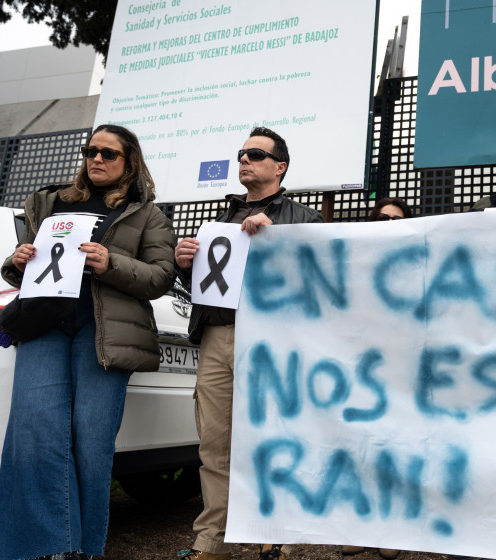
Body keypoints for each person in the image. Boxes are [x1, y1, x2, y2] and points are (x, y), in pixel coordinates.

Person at [0, 124, 177, 560]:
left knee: (91, 442)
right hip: (44, 321)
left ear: (129, 162)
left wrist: (111, 263)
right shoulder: (50, 202)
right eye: (90, 150)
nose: (96, 158)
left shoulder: (147, 214)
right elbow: (24, 266)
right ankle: (46, 549)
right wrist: (17, 260)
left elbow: (161, 277)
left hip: (104, 329)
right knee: (34, 432)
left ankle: (85, 550)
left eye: (108, 153)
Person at [175, 127, 324, 560]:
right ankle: (212, 540)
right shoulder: (219, 219)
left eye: (256, 154)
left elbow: (317, 279)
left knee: (275, 437)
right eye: (241, 153)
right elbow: (206, 285)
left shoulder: (305, 219)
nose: (244, 159)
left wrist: (278, 238)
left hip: (273, 340)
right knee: (214, 444)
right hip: (218, 336)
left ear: (280, 167)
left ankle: (275, 536)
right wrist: (184, 265)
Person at [340, 196, 412, 560]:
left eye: (397, 219)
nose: (389, 224)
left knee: (396, 445)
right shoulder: (353, 258)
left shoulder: (417, 262)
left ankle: (393, 528)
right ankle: (361, 526)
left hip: (401, 366)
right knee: (361, 444)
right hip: (360, 363)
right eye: (382, 218)